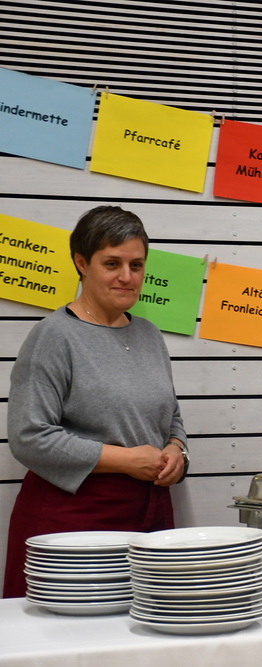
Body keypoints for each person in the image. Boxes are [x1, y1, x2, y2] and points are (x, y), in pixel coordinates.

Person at [3, 206, 188, 598]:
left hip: (151, 514)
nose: (127, 277)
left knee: (148, 629)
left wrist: (177, 450)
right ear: (81, 263)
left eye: (136, 265)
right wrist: (126, 460)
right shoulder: (54, 337)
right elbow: (28, 437)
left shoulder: (150, 335)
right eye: (112, 263)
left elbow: (169, 415)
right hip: (72, 522)